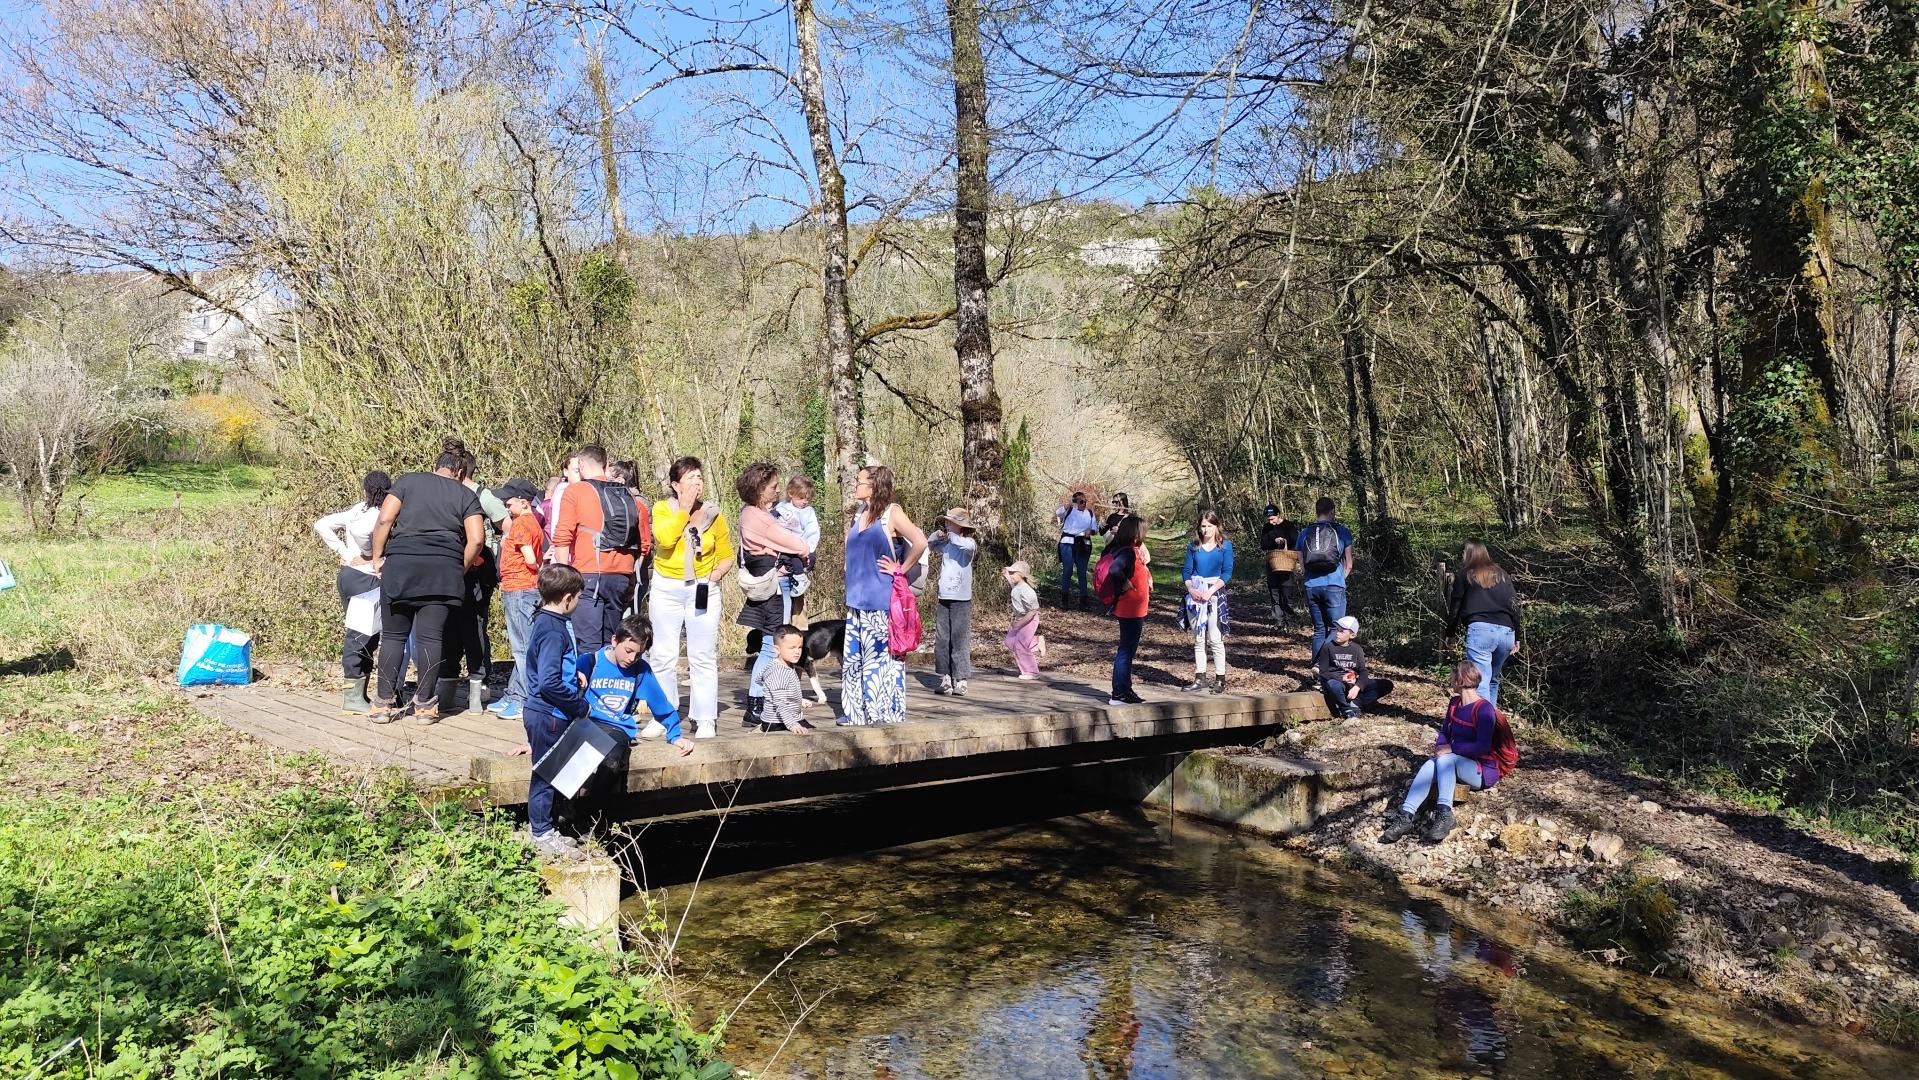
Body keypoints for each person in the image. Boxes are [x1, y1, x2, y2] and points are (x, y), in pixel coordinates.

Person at [368, 438, 484, 725]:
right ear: (460, 471)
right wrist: (459, 568)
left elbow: (384, 520)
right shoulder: (466, 494)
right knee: (431, 638)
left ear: (436, 466)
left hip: (401, 565)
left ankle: (382, 705)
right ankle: (425, 707)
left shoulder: (408, 481)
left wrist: (377, 557)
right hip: (443, 570)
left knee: (393, 637)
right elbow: (476, 539)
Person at [647, 456, 733, 739]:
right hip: (666, 587)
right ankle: (663, 715)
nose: (697, 482)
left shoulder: (713, 515)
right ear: (675, 485)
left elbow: (727, 555)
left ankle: (705, 717)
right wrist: (683, 509)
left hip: (702, 588)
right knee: (662, 654)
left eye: (699, 477)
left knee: (703, 655)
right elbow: (664, 540)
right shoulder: (662, 509)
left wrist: (714, 576)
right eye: (690, 478)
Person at [838, 464, 927, 727]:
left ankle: (882, 713)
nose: (855, 485)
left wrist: (901, 569)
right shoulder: (859, 513)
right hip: (856, 601)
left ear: (874, 485)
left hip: (881, 600)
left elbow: (921, 542)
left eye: (859, 481)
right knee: (854, 661)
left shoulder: (892, 513)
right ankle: (856, 713)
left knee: (880, 659)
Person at [1380, 662, 1507, 844]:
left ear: (1460, 680)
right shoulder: (1455, 703)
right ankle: (1405, 816)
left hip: (1481, 770)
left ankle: (1444, 814)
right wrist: (1441, 748)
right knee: (1431, 763)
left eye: (1452, 677)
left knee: (1446, 760)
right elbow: (1445, 732)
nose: (1450, 680)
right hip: (1453, 762)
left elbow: (1483, 746)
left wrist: (1451, 749)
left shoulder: (1484, 709)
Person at [552, 444, 650, 656]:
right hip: (621, 578)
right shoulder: (627, 494)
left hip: (589, 575)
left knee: (587, 646)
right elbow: (643, 544)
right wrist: (632, 576)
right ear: (606, 465)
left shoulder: (576, 491)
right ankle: (608, 677)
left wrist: (562, 579)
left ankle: (589, 679)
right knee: (610, 644)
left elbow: (562, 537)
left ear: (581, 465)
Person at [735, 461, 811, 728]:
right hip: (775, 587)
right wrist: (803, 550)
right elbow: (797, 544)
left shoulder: (752, 513)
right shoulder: (759, 518)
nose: (778, 491)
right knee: (770, 647)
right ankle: (756, 704)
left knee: (769, 644)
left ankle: (760, 702)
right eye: (773, 486)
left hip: (769, 583)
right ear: (759, 489)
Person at [314, 470, 391, 714]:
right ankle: (353, 698)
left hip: (349, 576)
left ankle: (358, 695)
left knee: (363, 635)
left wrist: (344, 553)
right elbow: (364, 535)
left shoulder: (357, 510)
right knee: (362, 636)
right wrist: (368, 556)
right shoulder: (379, 515)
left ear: (366, 490)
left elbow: (322, 524)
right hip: (367, 579)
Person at [524, 564, 587, 858]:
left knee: (553, 771)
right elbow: (548, 683)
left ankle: (546, 827)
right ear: (567, 598)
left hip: (547, 712)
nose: (579, 602)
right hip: (549, 713)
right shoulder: (553, 630)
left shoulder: (546, 619)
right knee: (546, 775)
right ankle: (540, 833)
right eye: (579, 597)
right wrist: (579, 705)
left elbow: (553, 667)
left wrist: (573, 675)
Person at [582, 616, 693, 772]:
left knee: (612, 758)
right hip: (586, 722)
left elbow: (661, 705)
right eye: (628, 651)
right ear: (615, 641)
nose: (632, 658)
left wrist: (675, 736)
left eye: (638, 654)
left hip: (616, 727)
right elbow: (561, 689)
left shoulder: (641, 671)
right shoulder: (591, 662)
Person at [488, 479, 545, 721]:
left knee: (522, 647)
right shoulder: (532, 522)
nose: (505, 507)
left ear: (523, 502)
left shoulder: (521, 523)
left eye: (508, 503)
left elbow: (530, 558)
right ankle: (514, 694)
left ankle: (526, 700)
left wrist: (537, 567)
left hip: (520, 588)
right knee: (521, 645)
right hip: (523, 588)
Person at [451, 446, 501, 711]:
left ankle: (480, 683)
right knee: (450, 626)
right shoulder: (447, 493)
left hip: (478, 571)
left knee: (476, 627)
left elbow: (506, 524)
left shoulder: (483, 496)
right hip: (453, 568)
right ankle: (449, 682)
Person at [1446, 541, 1522, 706]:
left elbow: (1456, 606)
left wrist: (1450, 633)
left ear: (1468, 554)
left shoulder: (1464, 574)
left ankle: (1479, 719)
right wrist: (1517, 636)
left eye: (1463, 553)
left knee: (1480, 682)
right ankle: (1490, 718)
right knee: (1493, 679)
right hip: (1506, 633)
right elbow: (1515, 606)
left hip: (1481, 631)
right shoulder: (1502, 575)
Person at [1180, 510, 1234, 694]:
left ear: (1216, 526)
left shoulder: (1225, 546)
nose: (1206, 530)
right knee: (1199, 639)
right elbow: (1186, 571)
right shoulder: (1193, 547)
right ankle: (1200, 678)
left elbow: (1227, 572)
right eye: (1203, 526)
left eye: (1210, 526)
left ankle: (1220, 679)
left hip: (1214, 595)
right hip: (1195, 596)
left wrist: (1211, 590)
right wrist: (1191, 590)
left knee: (1215, 639)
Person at [1296, 496, 1356, 658]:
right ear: (1332, 512)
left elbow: (1303, 565)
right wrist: (1340, 579)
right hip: (1334, 585)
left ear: (1316, 512)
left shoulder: (1304, 533)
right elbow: (1349, 564)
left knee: (1319, 630)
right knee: (1336, 629)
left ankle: (1317, 667)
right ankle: (1321, 663)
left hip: (1311, 585)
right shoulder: (1342, 531)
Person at [928, 508, 979, 695]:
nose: (947, 524)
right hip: (944, 597)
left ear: (960, 526)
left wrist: (951, 536)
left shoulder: (969, 543)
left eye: (950, 522)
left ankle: (961, 679)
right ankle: (945, 678)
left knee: (959, 639)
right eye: (946, 522)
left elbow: (965, 546)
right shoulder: (947, 543)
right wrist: (938, 535)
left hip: (961, 599)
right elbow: (930, 544)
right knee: (942, 639)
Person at [1104, 516, 1152, 705]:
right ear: (1135, 534)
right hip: (1130, 609)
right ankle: (1118, 694)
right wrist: (1124, 583)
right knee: (1125, 650)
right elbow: (1114, 570)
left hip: (1135, 609)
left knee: (1128, 650)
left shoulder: (1130, 551)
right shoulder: (1127, 553)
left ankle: (1125, 689)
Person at [1313, 615, 1394, 719]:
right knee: (1333, 685)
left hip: (1353, 683)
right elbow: (1323, 672)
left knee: (1387, 684)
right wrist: (1342, 678)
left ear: (1352, 635)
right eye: (1337, 629)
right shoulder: (1327, 647)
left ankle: (1356, 703)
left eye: (1342, 631)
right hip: (1337, 682)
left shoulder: (1357, 649)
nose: (1337, 633)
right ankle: (1346, 708)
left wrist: (1357, 687)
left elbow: (1363, 671)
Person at [774, 476, 822, 624]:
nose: (805, 501)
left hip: (800, 548)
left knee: (798, 606)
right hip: (782, 548)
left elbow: (813, 532)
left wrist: (807, 549)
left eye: (808, 498)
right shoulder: (781, 508)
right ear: (791, 494)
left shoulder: (808, 512)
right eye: (801, 498)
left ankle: (800, 579)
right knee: (784, 604)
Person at [758, 624, 817, 734]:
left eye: (799, 647)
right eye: (792, 648)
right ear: (777, 649)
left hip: (791, 716)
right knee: (812, 735)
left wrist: (799, 700)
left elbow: (784, 693)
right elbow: (779, 702)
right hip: (777, 722)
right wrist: (792, 725)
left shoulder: (787, 666)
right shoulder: (777, 672)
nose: (797, 652)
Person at [1256, 503, 1302, 624]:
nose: (1271, 522)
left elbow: (1296, 542)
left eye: (1272, 519)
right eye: (1268, 520)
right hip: (1272, 561)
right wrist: (1274, 541)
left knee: (1287, 591)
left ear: (1278, 515)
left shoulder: (1289, 526)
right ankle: (1278, 619)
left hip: (1287, 562)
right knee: (1274, 590)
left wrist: (1284, 542)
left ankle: (1289, 618)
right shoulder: (1266, 527)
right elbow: (1263, 544)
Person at [1054, 490, 1098, 609]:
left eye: (1085, 501)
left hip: (1084, 543)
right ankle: (1064, 601)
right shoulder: (1069, 510)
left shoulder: (1090, 513)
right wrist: (1067, 505)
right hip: (1067, 543)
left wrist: (1091, 531)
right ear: (1075, 502)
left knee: (1082, 572)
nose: (1084, 503)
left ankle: (1083, 602)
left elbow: (1095, 528)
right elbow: (1058, 513)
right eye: (1081, 501)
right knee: (1067, 570)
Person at [1003, 560, 1041, 680]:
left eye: (1013, 573)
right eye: (1010, 573)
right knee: (1010, 641)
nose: (1011, 575)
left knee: (1020, 645)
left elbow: (1033, 611)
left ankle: (1031, 672)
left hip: (1029, 619)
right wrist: (1007, 574)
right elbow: (1012, 583)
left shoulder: (1027, 591)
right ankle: (1034, 643)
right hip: (1020, 618)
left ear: (1022, 574)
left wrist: (1019, 623)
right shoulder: (1017, 586)